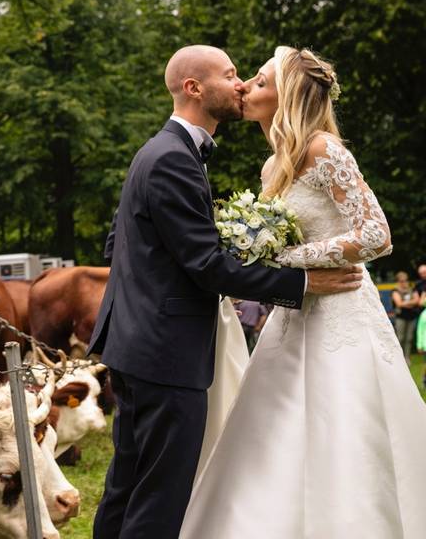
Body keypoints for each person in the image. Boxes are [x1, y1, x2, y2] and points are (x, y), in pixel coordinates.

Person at [85, 45, 362, 539]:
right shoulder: (173, 158)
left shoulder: (161, 151)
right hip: (165, 353)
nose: (240, 85)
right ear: (194, 88)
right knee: (160, 496)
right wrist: (300, 281)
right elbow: (207, 266)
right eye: (231, 74)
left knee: (126, 486)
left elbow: (120, 243)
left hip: (137, 345)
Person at [180, 46, 426, 538]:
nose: (246, 86)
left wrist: (291, 260)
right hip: (293, 316)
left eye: (261, 80)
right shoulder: (274, 166)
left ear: (287, 95)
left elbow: (377, 235)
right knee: (273, 427)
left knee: (347, 424)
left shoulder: (324, 149)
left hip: (341, 311)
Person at [391, 271, 420, 363]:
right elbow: (399, 304)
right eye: (402, 281)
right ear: (398, 281)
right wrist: (411, 303)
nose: (404, 282)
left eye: (406, 280)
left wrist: (406, 303)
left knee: (409, 338)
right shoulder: (395, 290)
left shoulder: (412, 288)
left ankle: (407, 357)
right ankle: (400, 358)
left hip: (411, 316)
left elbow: (417, 300)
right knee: (401, 338)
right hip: (401, 317)